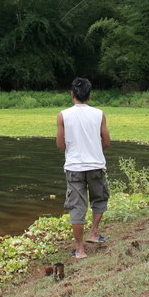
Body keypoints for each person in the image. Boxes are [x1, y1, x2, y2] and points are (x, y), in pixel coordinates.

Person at [56, 77, 111, 259]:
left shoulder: (63, 115)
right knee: (99, 199)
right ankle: (94, 232)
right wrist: (94, 150)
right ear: (90, 95)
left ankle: (80, 250)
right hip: (95, 165)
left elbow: (60, 145)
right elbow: (107, 141)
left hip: (74, 168)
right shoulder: (99, 114)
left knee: (77, 207)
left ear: (72, 94)